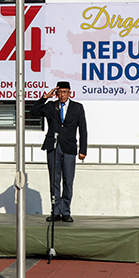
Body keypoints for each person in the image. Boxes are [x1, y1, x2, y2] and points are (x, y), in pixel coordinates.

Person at [30, 81, 87, 222]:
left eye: (65, 92)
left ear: (69, 93)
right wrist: (45, 97)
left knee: (68, 180)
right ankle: (55, 210)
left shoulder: (77, 107)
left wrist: (83, 150)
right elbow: (33, 111)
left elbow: (83, 129)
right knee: (54, 180)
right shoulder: (51, 106)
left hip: (69, 148)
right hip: (53, 146)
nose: (62, 95)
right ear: (56, 93)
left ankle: (66, 211)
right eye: (59, 92)